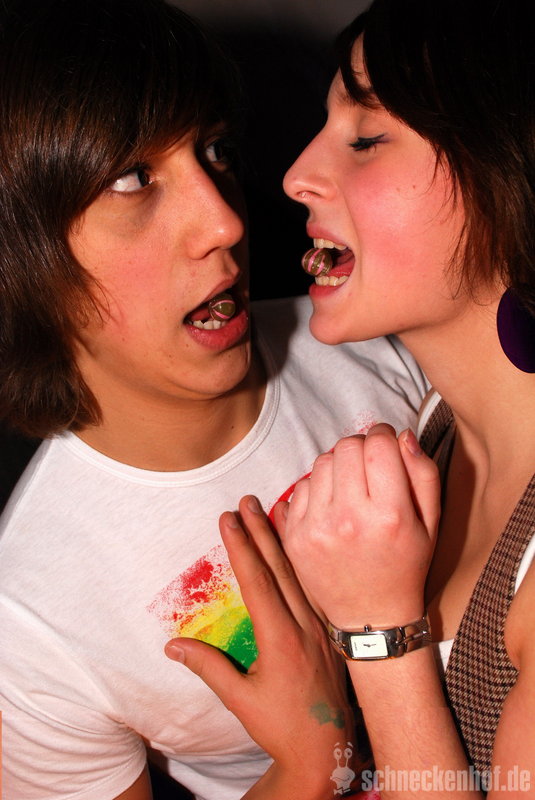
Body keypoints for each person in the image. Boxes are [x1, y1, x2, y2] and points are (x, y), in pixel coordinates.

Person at [0, 1, 428, 798]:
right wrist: (307, 764)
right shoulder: (30, 621)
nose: (226, 221)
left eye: (215, 151)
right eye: (133, 179)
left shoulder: (375, 339)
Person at [167, 0, 535, 795]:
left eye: (366, 138)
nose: (295, 174)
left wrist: (377, 633)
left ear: (505, 170)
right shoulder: (438, 420)